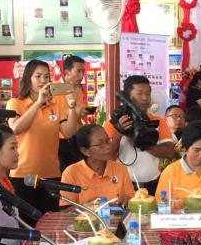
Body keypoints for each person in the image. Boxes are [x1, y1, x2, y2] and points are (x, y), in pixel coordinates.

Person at [8, 60, 78, 217]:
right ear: (28, 79)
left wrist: (72, 107)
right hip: (22, 176)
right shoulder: (15, 103)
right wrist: (38, 103)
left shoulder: (54, 105)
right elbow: (16, 128)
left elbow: (69, 132)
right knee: (27, 224)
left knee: (49, 222)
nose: (43, 81)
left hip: (51, 176)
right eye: (38, 76)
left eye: (46, 76)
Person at [104, 75, 175, 195]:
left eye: (148, 94)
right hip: (123, 185)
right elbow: (106, 155)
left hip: (153, 183)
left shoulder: (159, 121)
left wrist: (142, 142)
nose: (145, 98)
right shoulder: (114, 122)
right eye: (139, 93)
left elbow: (169, 152)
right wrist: (119, 132)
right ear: (127, 96)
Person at [156, 121, 201, 210]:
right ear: (185, 148)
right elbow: (160, 205)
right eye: (196, 150)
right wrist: (178, 204)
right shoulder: (171, 172)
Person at [60, 124, 134, 208]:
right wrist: (91, 205)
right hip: (86, 217)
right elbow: (66, 210)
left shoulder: (120, 169)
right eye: (100, 144)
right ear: (85, 151)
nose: (108, 147)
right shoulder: (71, 173)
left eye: (108, 140)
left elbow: (132, 199)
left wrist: (127, 200)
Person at [57, 55, 88, 172]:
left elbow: (76, 113)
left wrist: (82, 112)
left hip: (75, 137)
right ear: (67, 72)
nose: (81, 75)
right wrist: (75, 111)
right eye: (78, 71)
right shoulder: (55, 89)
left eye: (83, 71)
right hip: (59, 140)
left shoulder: (78, 90)